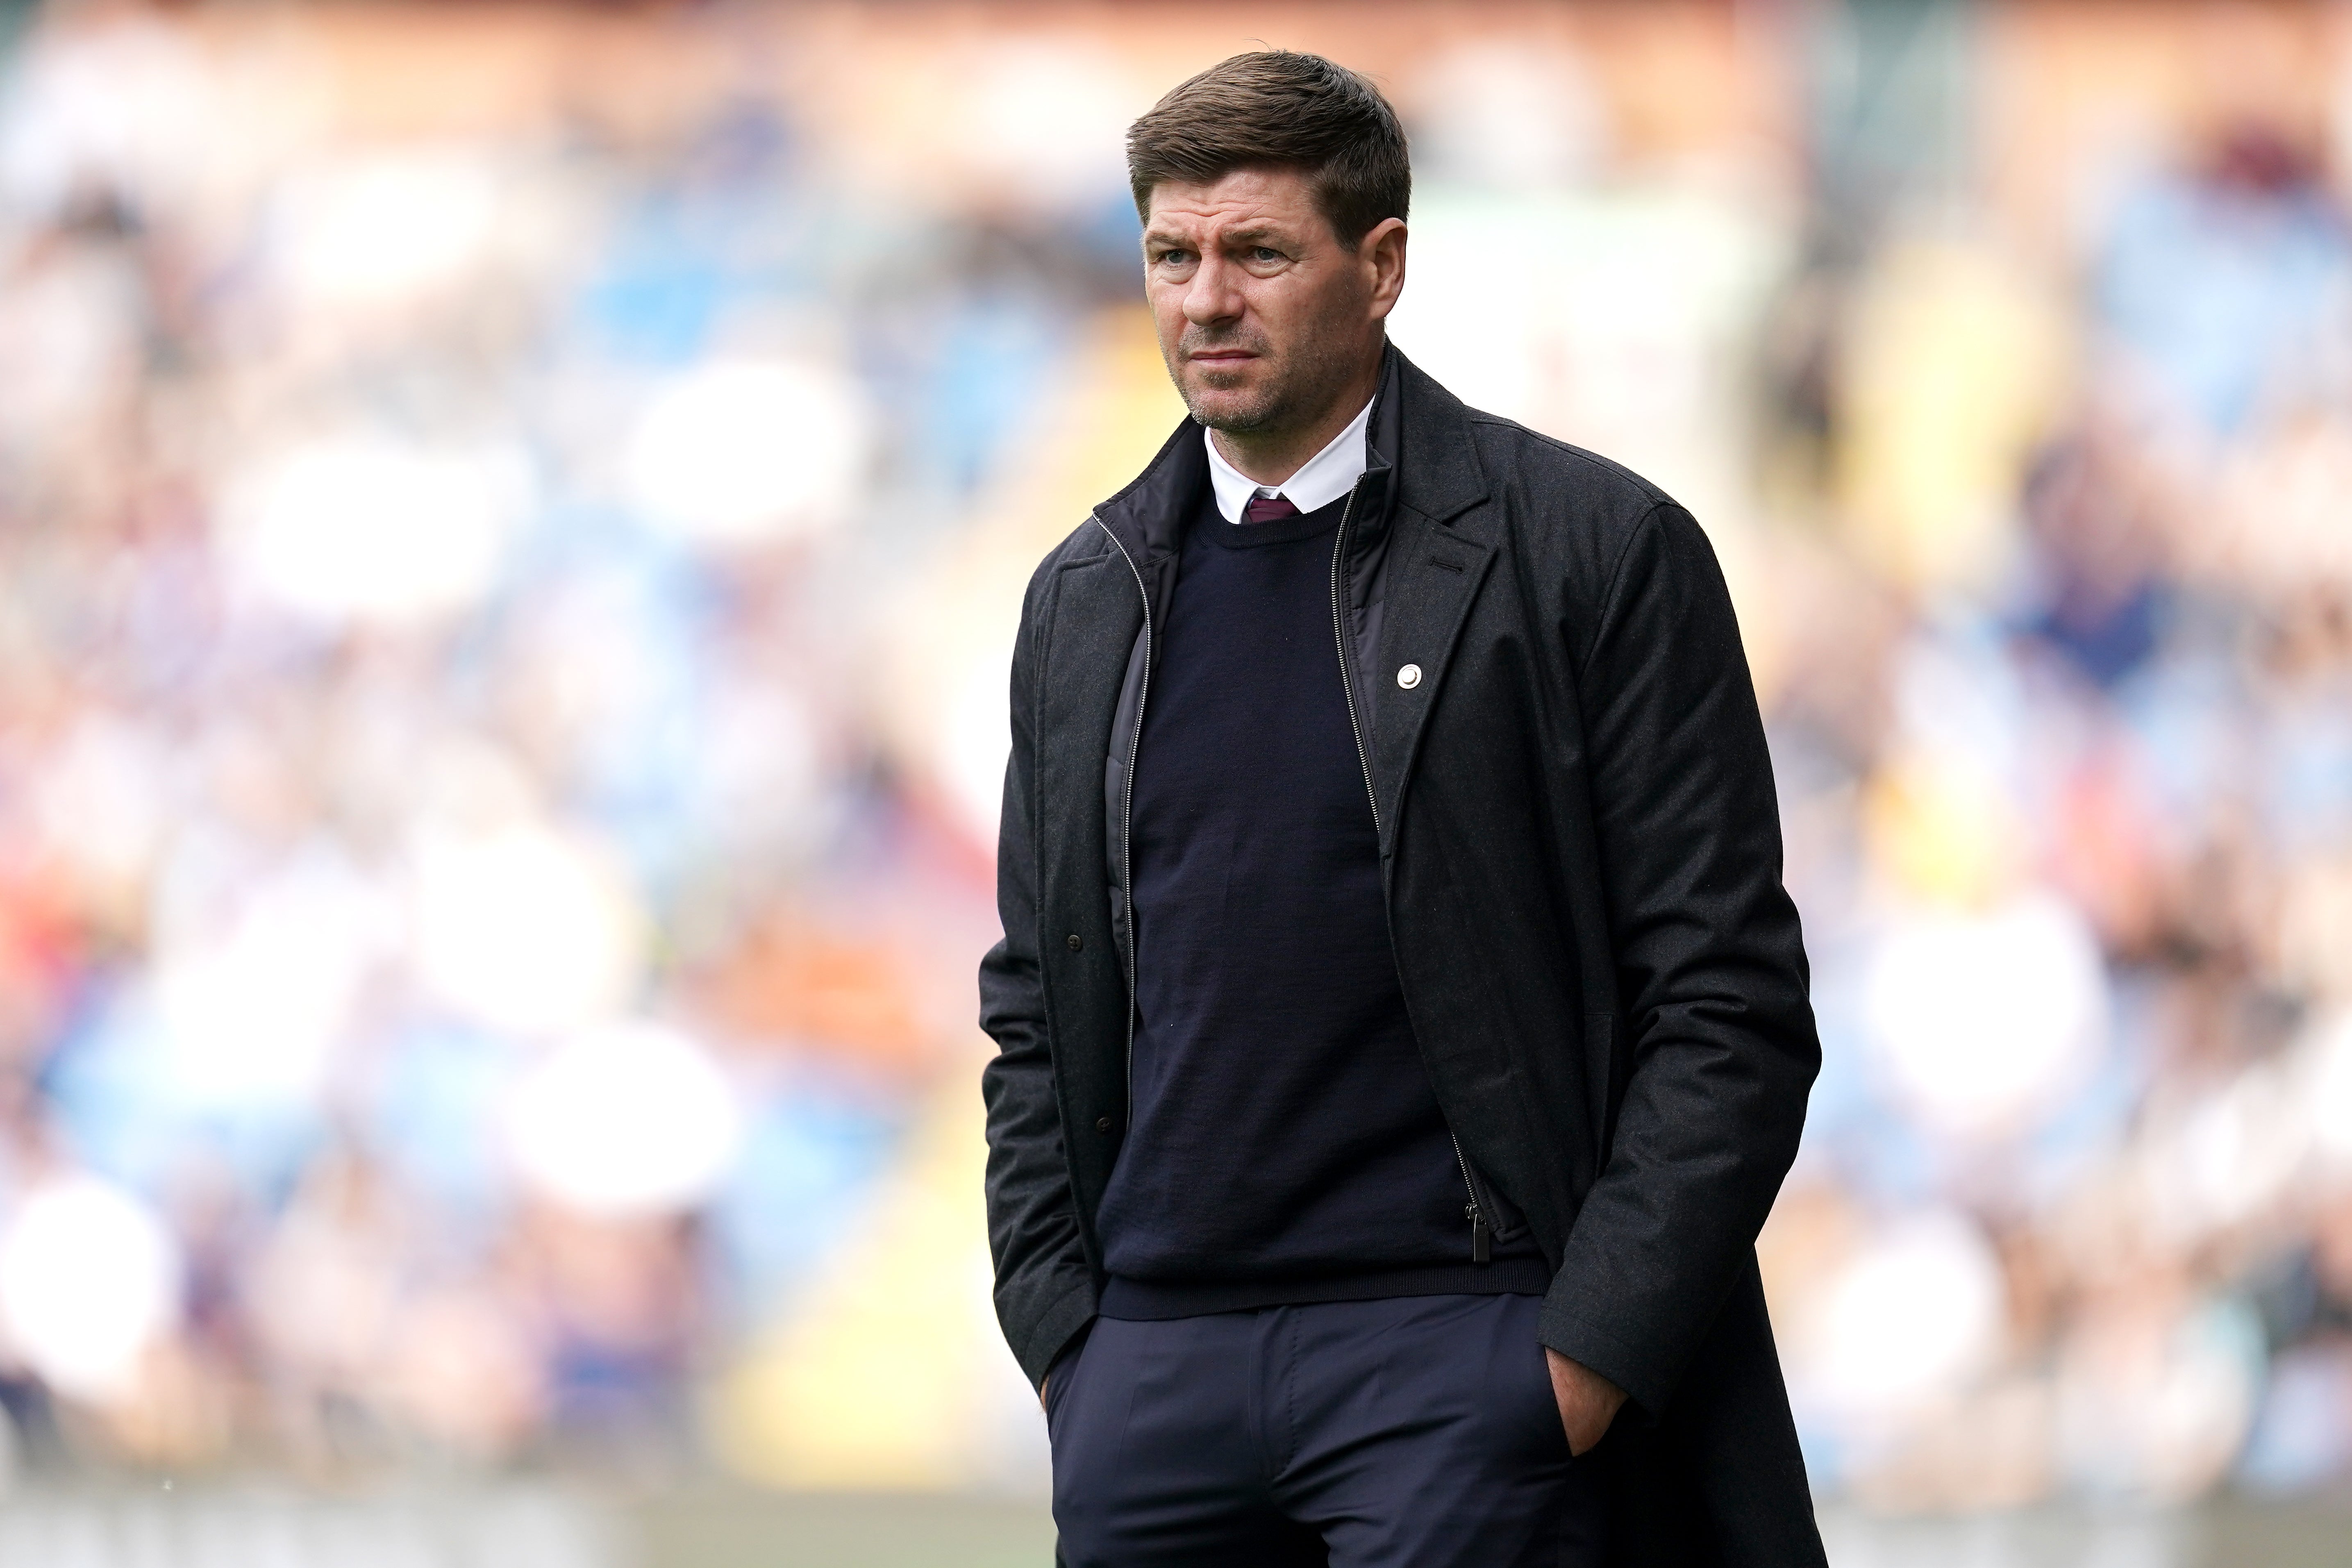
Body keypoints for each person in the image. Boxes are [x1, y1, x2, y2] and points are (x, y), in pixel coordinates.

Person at [979, 50, 1823, 1567]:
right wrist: (1069, 1346)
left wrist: (1575, 1366)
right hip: (1153, 1383)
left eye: (1258, 253)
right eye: (1172, 254)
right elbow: (1034, 1004)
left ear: (1382, 266)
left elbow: (1730, 1007)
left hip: (1466, 1362)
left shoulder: (1593, 553)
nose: (1204, 300)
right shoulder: (1082, 596)